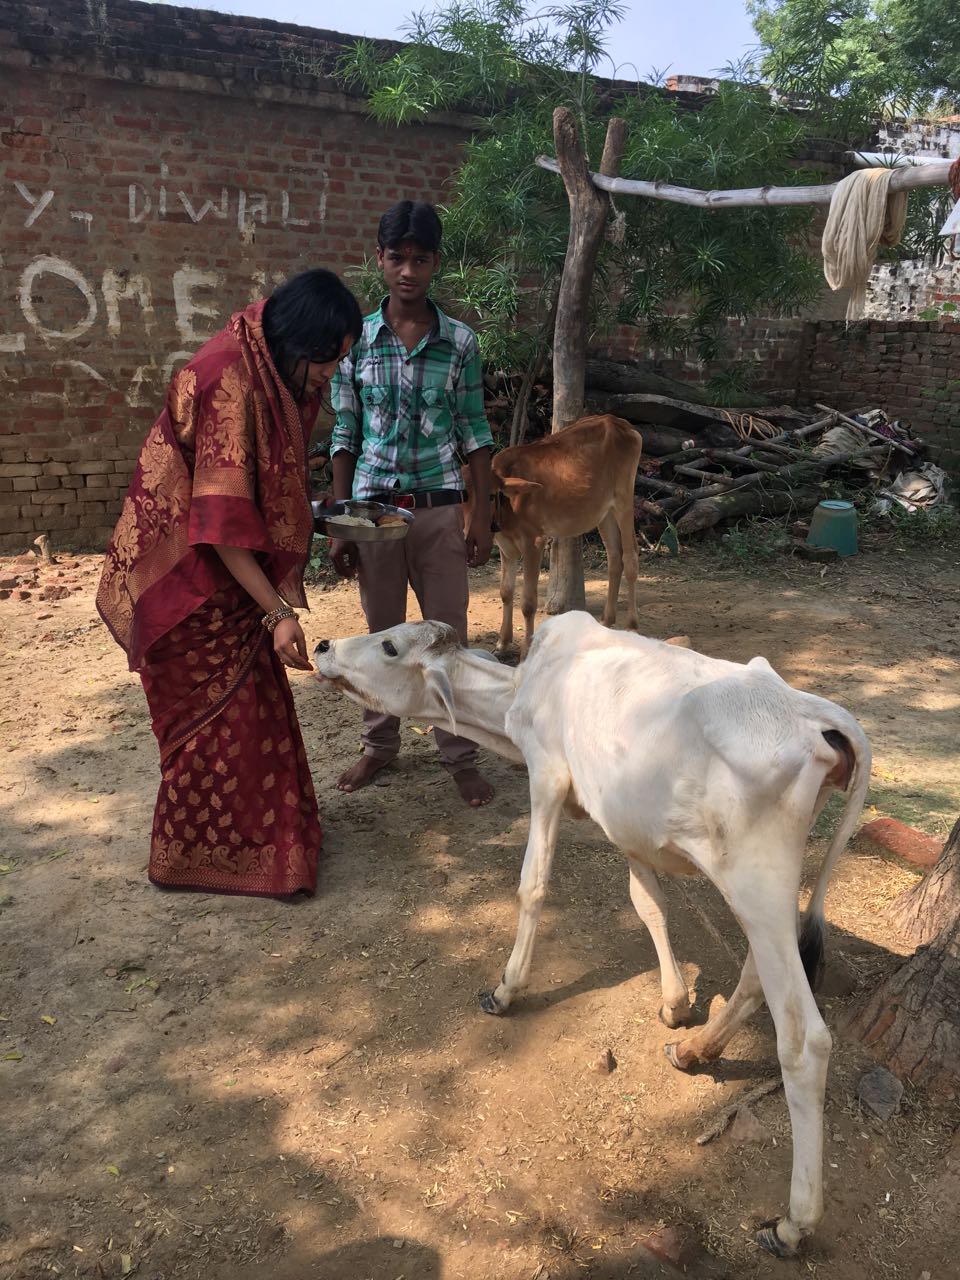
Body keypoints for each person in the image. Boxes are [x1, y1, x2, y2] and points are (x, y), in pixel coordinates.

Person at [96, 269, 363, 897]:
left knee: (255, 719)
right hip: (184, 583)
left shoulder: (265, 365)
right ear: (296, 344)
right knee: (216, 731)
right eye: (327, 362)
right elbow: (217, 524)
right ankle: (200, 858)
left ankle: (270, 849)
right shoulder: (227, 379)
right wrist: (278, 613)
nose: (330, 377)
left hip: (225, 580)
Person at [329, 200, 495, 807]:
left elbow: (475, 431)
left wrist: (481, 515)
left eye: (419, 260)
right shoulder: (357, 343)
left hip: (439, 508)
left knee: (448, 636)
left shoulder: (460, 343)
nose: (407, 271)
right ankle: (379, 746)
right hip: (375, 515)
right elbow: (345, 433)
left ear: (435, 263)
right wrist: (342, 522)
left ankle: (460, 753)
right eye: (397, 258)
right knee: (382, 636)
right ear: (380, 259)